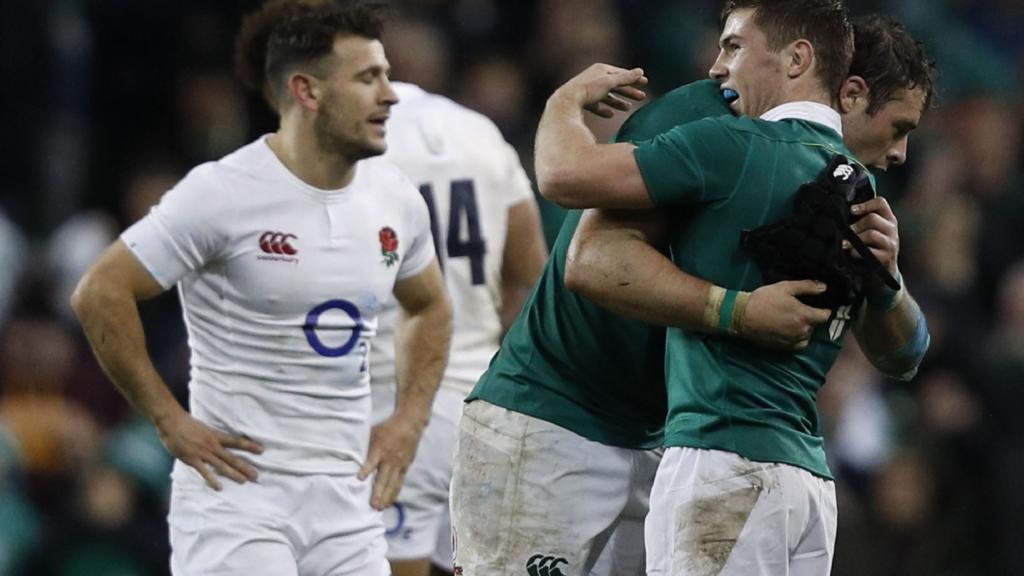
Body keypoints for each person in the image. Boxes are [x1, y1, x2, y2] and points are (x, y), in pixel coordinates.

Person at [450, 9, 936, 576]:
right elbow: (590, 261)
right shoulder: (710, 118)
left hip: (672, 439)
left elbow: (901, 353)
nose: (900, 152)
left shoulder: (843, 182)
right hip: (557, 415)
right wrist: (737, 311)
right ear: (845, 93)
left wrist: (890, 281)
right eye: (898, 127)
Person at [70, 2, 453, 575]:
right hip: (238, 500)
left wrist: (409, 420)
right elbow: (100, 291)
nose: (391, 95)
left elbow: (430, 306)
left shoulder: (394, 198)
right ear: (307, 91)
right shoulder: (223, 193)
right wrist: (169, 420)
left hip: (347, 499)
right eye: (368, 78)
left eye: (387, 75)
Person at [369, 80, 546, 576]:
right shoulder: (479, 130)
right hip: (479, 409)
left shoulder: (347, 138)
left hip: (386, 409)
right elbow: (531, 279)